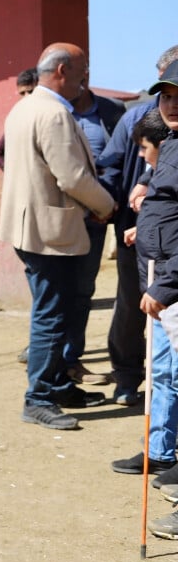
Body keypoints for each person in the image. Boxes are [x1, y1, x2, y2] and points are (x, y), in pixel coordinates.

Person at [0, 43, 116, 431]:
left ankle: (59, 385)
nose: (85, 80)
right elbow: (73, 178)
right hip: (49, 232)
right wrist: (106, 206)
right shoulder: (52, 113)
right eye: (82, 72)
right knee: (51, 316)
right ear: (63, 70)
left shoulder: (26, 107)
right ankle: (39, 397)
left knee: (56, 311)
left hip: (34, 227)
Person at [98, 45, 178, 407]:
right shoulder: (138, 118)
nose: (170, 101)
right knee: (132, 306)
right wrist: (113, 206)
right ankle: (127, 379)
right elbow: (112, 164)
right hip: (138, 229)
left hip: (168, 242)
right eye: (165, 90)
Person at [113, 73, 178, 488]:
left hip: (169, 284)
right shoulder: (171, 145)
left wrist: (166, 284)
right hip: (164, 282)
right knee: (165, 372)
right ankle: (162, 452)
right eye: (167, 97)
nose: (171, 104)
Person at [59, 86, 126, 386]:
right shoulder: (50, 111)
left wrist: (105, 202)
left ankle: (71, 359)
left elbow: (121, 159)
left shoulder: (112, 112)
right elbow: (4, 151)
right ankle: (52, 359)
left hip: (99, 217)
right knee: (56, 293)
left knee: (83, 290)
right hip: (60, 218)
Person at [0, 68, 39, 171]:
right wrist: (11, 173)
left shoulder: (48, 113)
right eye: (22, 93)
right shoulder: (17, 118)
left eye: (30, 91)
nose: (26, 96)